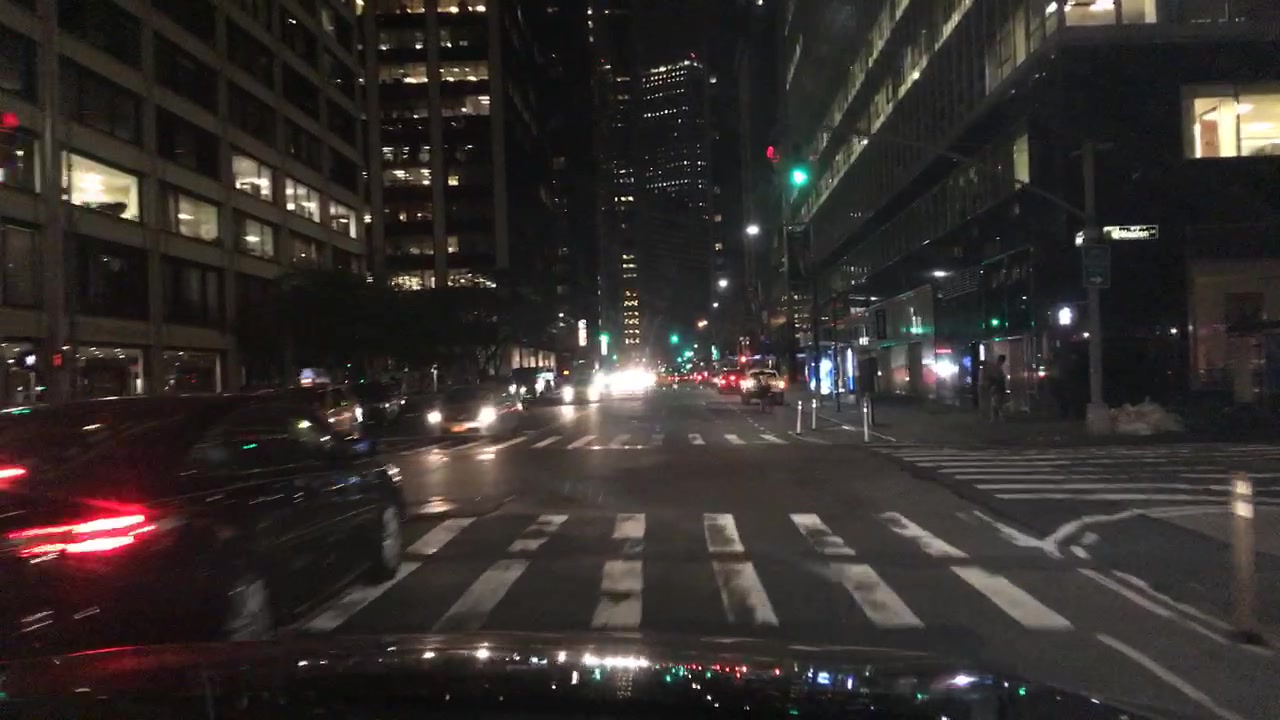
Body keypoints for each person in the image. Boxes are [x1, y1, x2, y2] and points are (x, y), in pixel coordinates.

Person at [987, 354, 1008, 422]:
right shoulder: (997, 368)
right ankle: (1000, 417)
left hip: (997, 388)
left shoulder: (996, 368)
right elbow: (996, 378)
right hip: (997, 387)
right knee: (997, 403)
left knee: (996, 403)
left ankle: (995, 418)